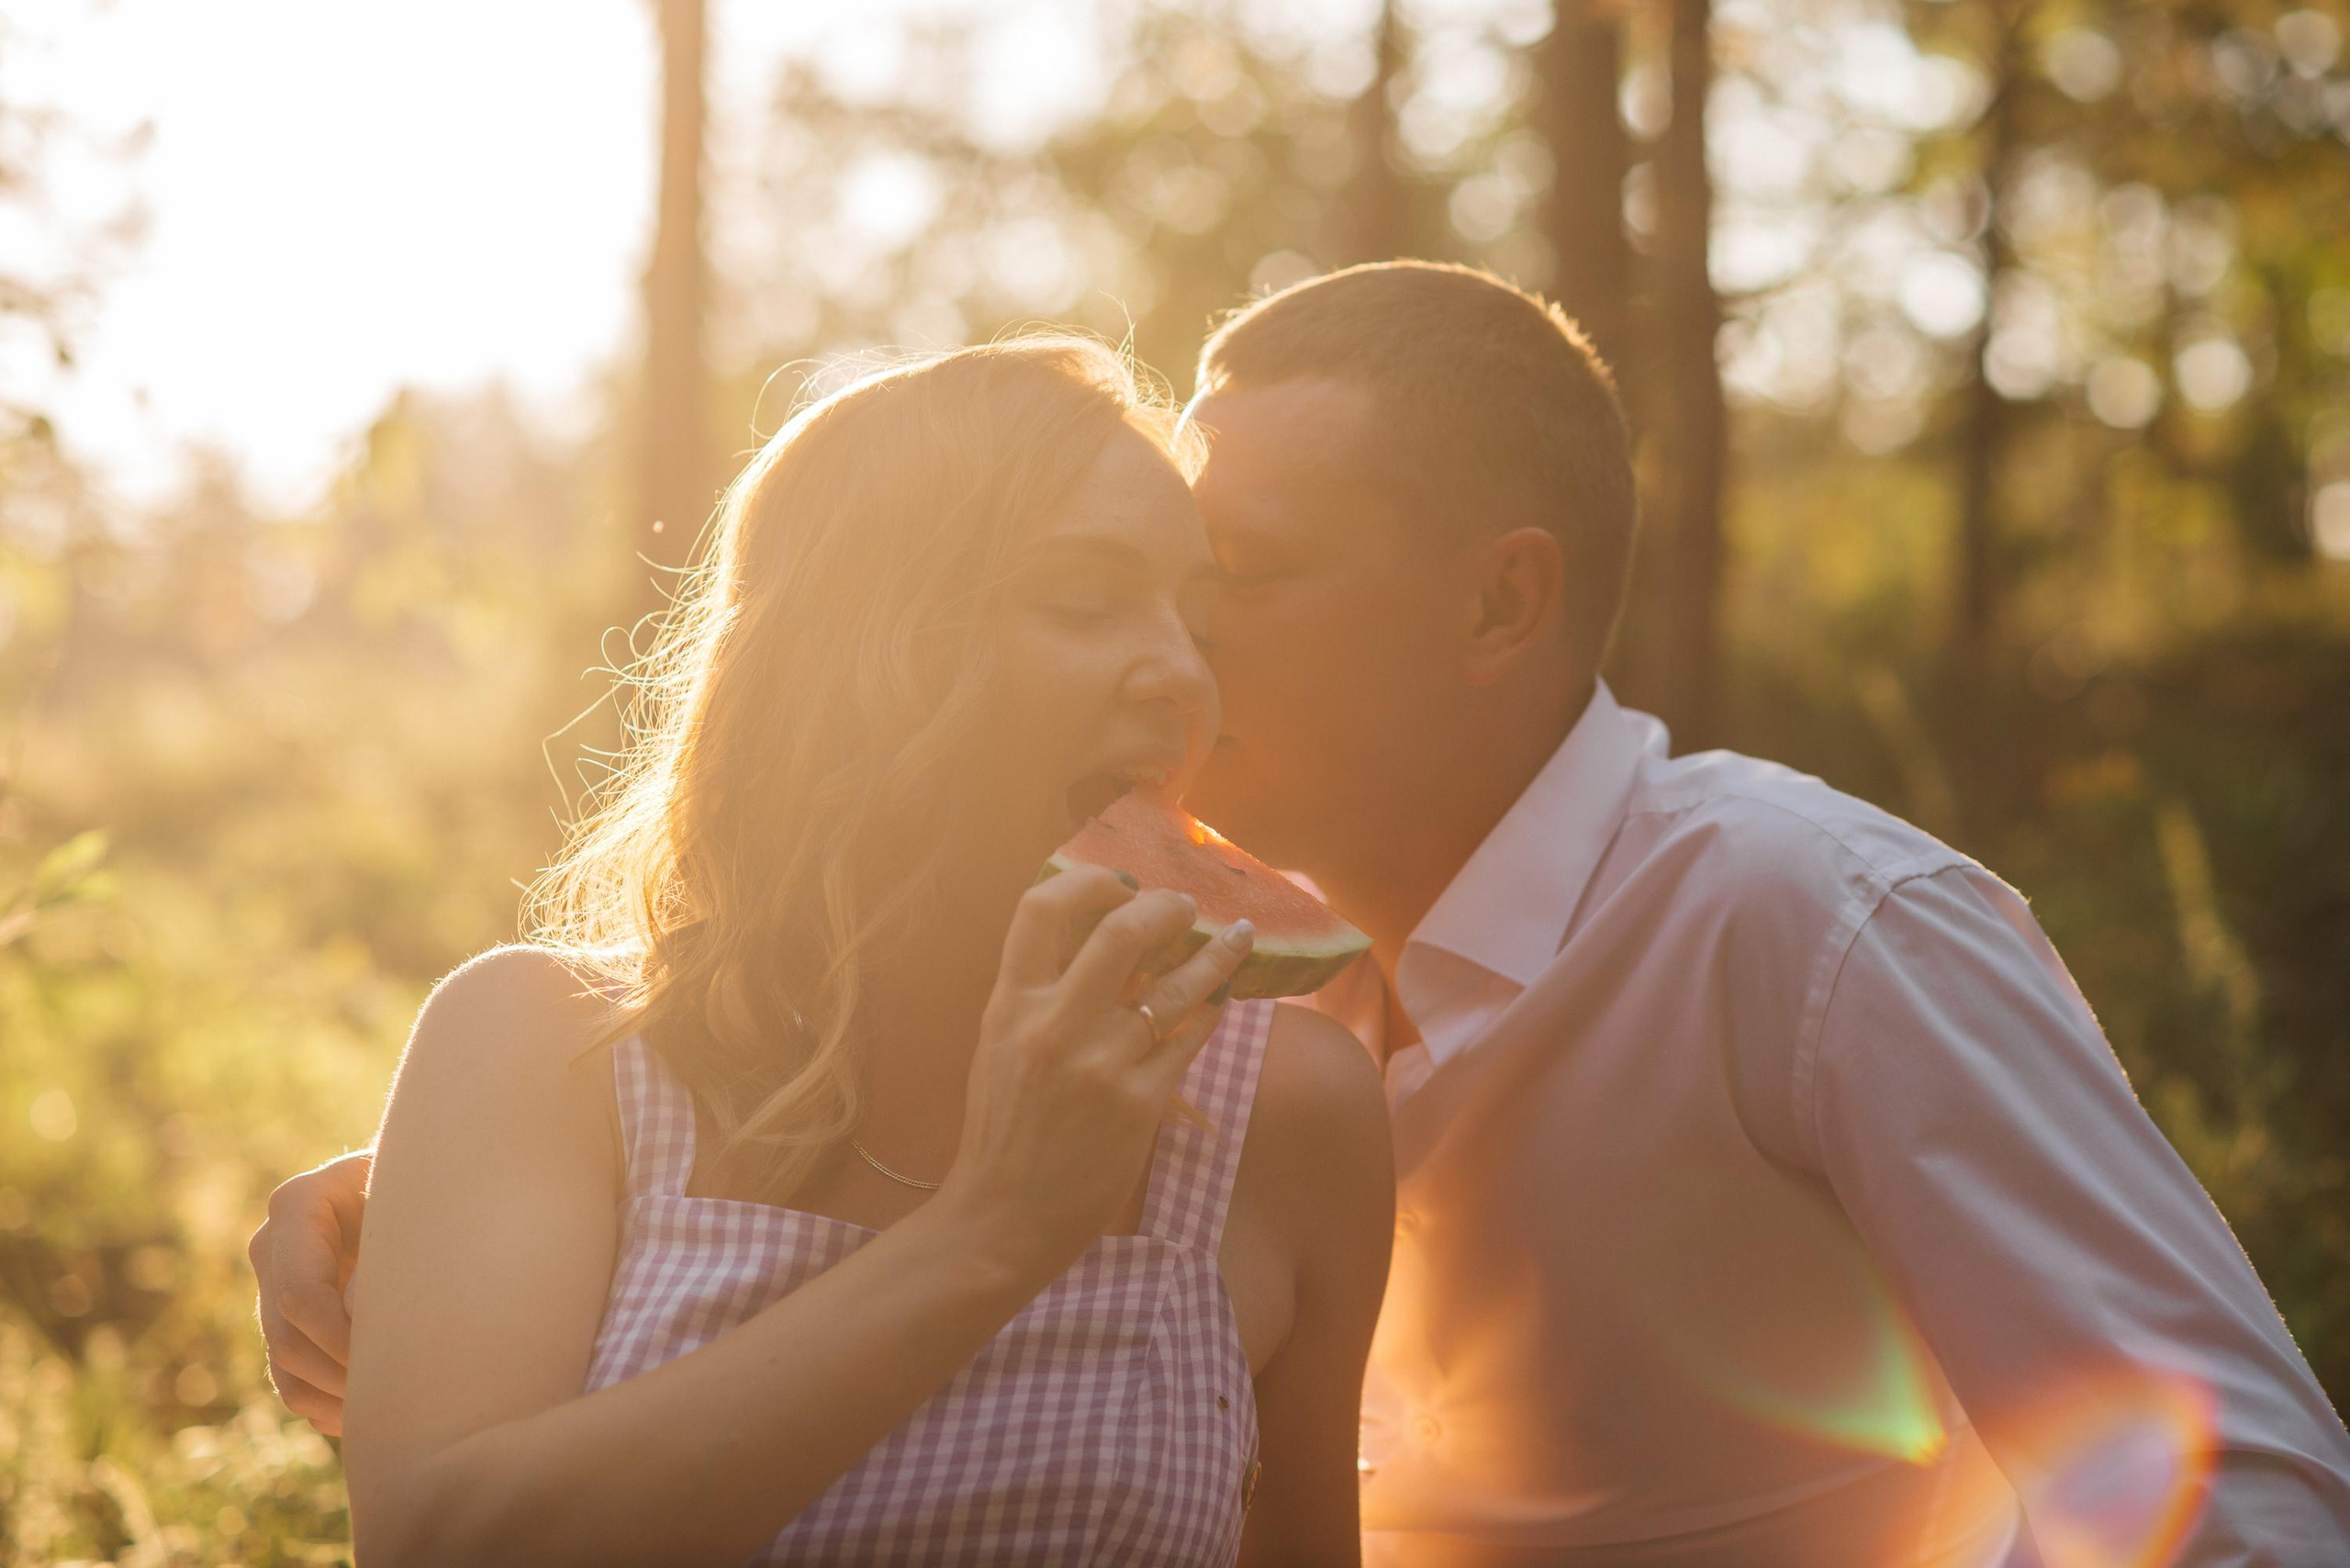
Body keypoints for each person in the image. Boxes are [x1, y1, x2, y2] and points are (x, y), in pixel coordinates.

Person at [255, 264, 2350, 1564]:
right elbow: (775, 1097)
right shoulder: (1203, 971)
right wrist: (433, 1194)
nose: (1180, 662)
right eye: (1119, 593)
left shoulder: (1810, 923)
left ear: (1498, 605)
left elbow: (2244, 1502)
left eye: (1230, 583)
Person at [290, 335, 1394, 1568]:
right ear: (857, 658)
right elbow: (438, 1544)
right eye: (1085, 603)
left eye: (1199, 619)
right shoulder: (544, 1045)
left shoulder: (1291, 1112)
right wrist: (993, 1233)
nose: (1183, 675)